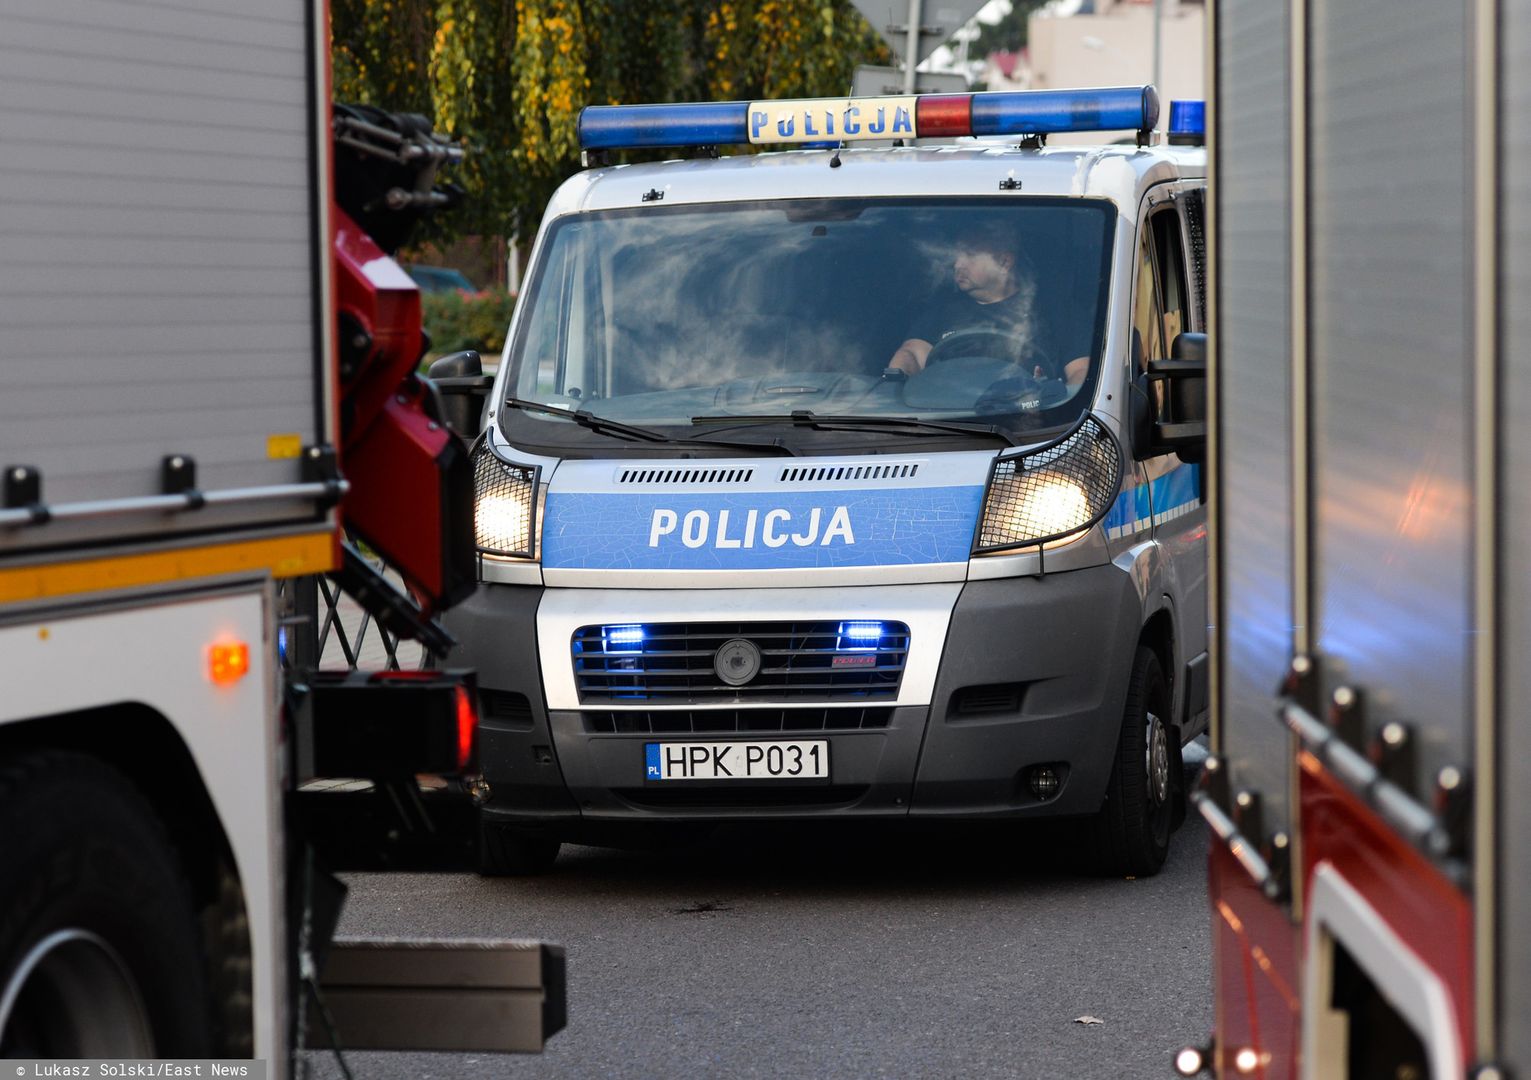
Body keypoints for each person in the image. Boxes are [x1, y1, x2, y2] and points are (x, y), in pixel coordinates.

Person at [887, 229, 1089, 386]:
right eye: (956, 255)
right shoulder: (941, 312)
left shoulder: (1058, 311)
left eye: (970, 255)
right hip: (944, 423)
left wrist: (1054, 402)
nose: (957, 264)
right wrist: (896, 382)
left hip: (1036, 426)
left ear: (1004, 262)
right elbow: (912, 354)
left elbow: (1081, 372)